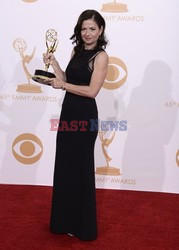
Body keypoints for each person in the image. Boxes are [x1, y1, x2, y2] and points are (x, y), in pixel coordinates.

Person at [43, 9, 108, 241]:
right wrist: (55, 65)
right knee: (65, 168)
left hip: (84, 118)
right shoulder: (76, 51)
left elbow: (91, 91)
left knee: (80, 170)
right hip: (68, 113)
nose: (87, 33)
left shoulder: (100, 57)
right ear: (79, 31)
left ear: (100, 30)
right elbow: (68, 81)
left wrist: (63, 86)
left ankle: (83, 227)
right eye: (83, 28)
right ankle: (63, 222)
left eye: (92, 28)